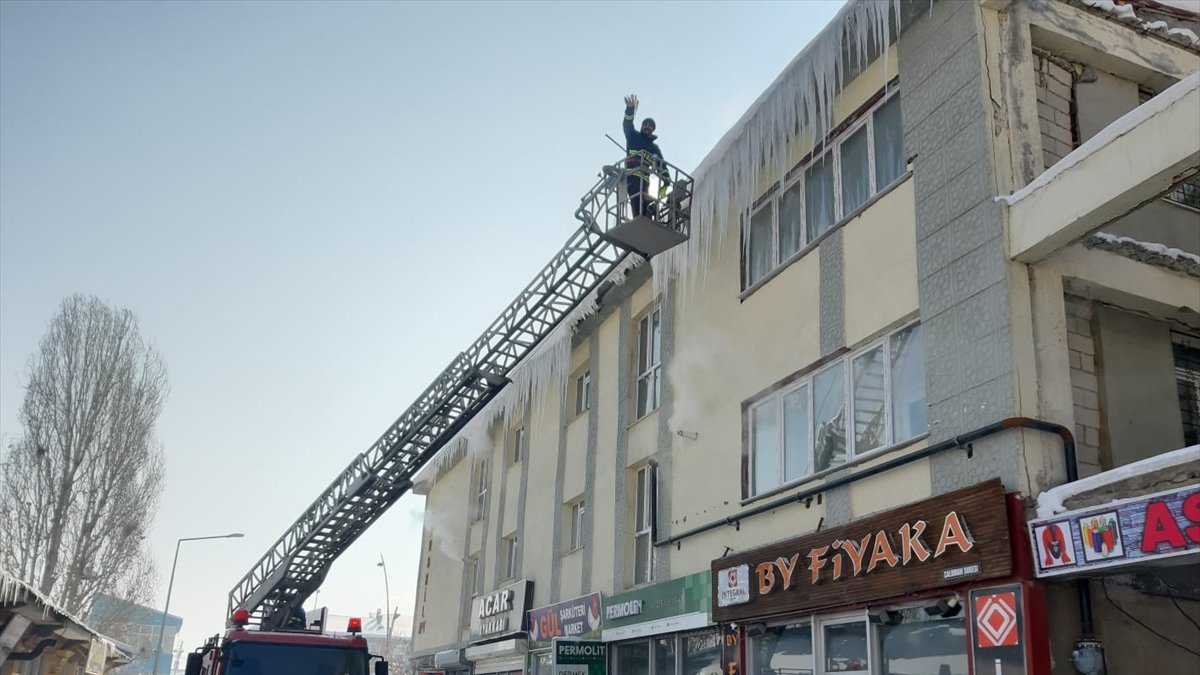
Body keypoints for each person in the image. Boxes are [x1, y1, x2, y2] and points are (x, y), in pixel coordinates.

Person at [622, 94, 668, 219]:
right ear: (642, 126)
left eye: (650, 126)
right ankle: (640, 223)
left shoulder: (654, 149)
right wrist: (630, 109)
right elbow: (627, 124)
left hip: (645, 182)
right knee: (637, 208)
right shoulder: (633, 137)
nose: (647, 126)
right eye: (645, 124)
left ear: (653, 129)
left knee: (646, 208)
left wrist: (667, 183)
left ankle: (649, 216)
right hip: (633, 177)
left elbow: (663, 168)